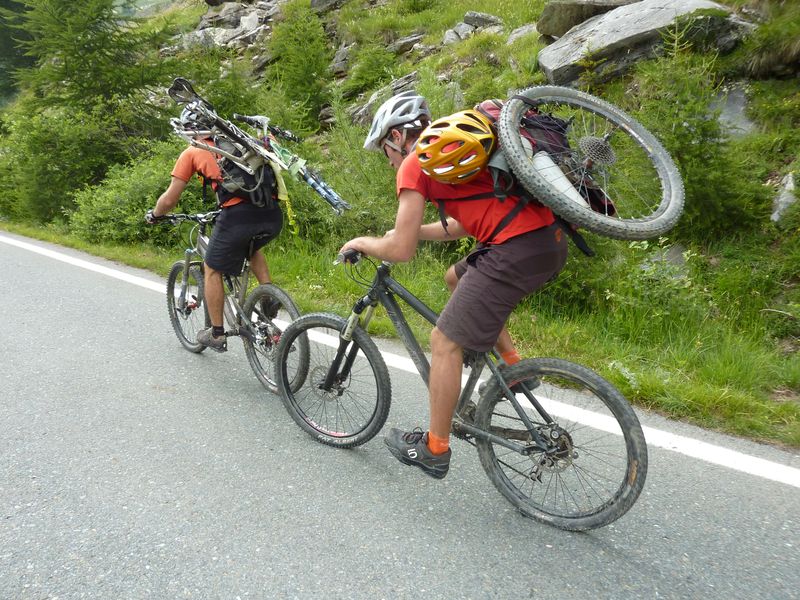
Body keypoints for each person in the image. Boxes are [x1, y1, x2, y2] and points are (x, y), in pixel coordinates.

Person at [339, 90, 568, 479]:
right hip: (549, 241)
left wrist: (363, 242)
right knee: (454, 277)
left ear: (396, 137)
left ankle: (434, 449)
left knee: (443, 343)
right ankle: (516, 370)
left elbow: (400, 251)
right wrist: (409, 231)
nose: (389, 159)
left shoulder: (414, 164)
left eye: (384, 149)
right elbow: (466, 222)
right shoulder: (459, 149)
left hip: (514, 250)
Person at [146, 104, 283, 352]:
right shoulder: (241, 142)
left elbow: (170, 199)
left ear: (189, 130)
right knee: (251, 248)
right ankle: (268, 297)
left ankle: (217, 333)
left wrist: (155, 215)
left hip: (238, 216)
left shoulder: (192, 152)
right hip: (272, 214)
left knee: (211, 268)